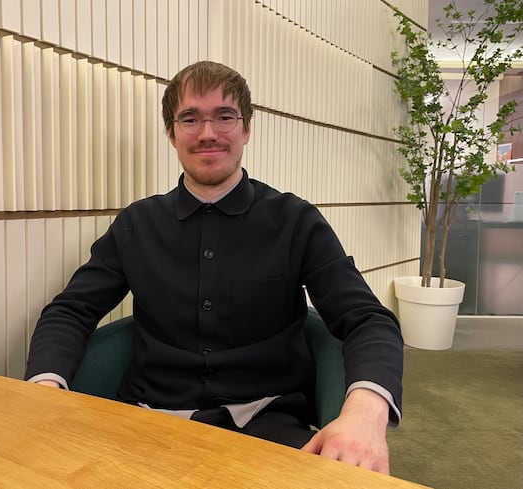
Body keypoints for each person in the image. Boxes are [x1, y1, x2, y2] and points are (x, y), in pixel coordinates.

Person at [25, 60, 403, 475]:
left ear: (247, 128)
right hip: (146, 422)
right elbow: (71, 310)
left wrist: (365, 413)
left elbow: (367, 319)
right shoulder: (137, 224)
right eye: (190, 118)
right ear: (172, 133)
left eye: (224, 116)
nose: (208, 133)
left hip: (268, 424)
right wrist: (45, 387)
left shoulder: (295, 221)